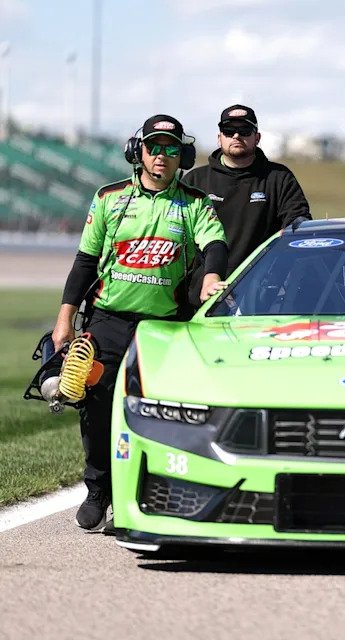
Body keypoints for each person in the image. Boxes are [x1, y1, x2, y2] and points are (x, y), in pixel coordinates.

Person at [51, 114, 228, 531]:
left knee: (153, 412)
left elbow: (216, 244)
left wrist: (212, 274)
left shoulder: (194, 203)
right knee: (93, 404)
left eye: (171, 148)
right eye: (154, 147)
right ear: (138, 152)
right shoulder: (109, 198)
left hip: (163, 328)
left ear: (182, 155)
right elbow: (84, 262)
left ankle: (138, 499)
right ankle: (98, 490)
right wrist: (65, 319)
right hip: (108, 320)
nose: (161, 156)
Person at [181, 104, 310, 308]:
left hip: (258, 299)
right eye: (229, 130)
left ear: (257, 137)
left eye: (244, 130)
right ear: (219, 137)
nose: (236, 136)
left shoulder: (278, 178)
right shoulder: (196, 180)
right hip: (201, 296)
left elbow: (298, 224)